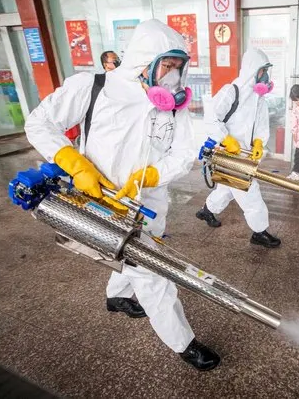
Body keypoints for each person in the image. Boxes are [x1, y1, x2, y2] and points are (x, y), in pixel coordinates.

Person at [24, 20, 220, 371]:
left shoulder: (173, 105)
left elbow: (184, 152)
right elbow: (38, 123)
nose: (172, 76)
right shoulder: (93, 86)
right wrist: (73, 162)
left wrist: (156, 173)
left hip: (150, 203)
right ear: (145, 60)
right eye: (167, 66)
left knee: (130, 255)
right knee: (154, 274)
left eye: (178, 68)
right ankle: (184, 343)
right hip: (99, 200)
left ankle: (116, 295)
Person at [195, 48, 281, 249]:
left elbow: (261, 125)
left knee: (227, 187)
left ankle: (207, 210)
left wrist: (259, 142)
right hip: (229, 153)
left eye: (267, 70)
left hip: (245, 153)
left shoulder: (258, 99)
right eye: (263, 70)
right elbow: (211, 118)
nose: (265, 75)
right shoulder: (231, 91)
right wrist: (226, 139)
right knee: (250, 192)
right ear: (253, 70)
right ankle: (259, 232)